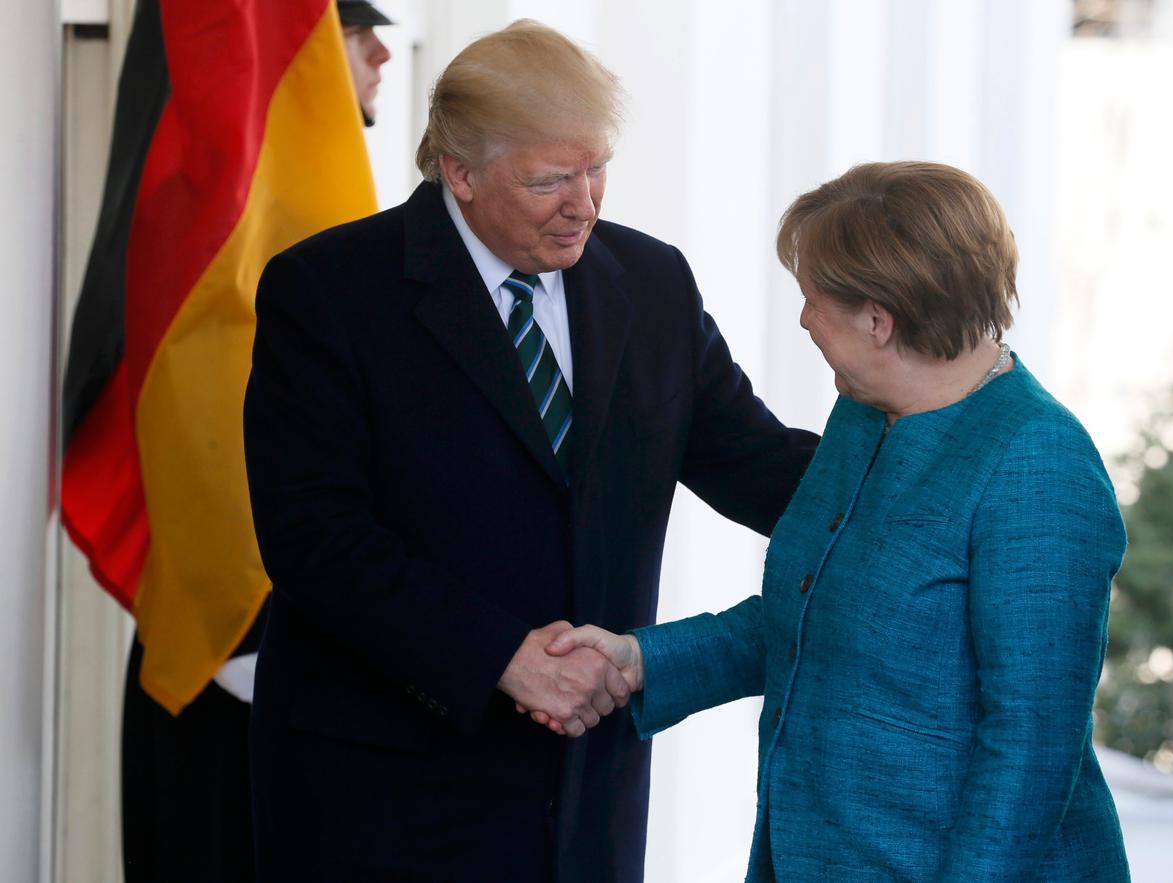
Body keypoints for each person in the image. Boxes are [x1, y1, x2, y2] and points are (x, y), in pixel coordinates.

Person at [242, 19, 818, 883]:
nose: (585, 202)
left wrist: (933, 464)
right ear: (460, 173)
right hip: (386, 795)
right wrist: (500, 656)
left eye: (597, 168)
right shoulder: (327, 291)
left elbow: (756, 460)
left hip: (586, 797)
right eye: (552, 179)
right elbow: (314, 539)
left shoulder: (653, 284)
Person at [545, 162, 1131, 881]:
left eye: (814, 298)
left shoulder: (1037, 461)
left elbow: (1031, 752)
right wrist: (638, 660)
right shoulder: (861, 414)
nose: (803, 318)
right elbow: (810, 617)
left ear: (879, 319)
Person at [119, 4, 393, 882]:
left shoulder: (319, 228)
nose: (382, 49)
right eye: (354, 33)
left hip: (262, 635)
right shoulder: (282, 237)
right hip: (244, 639)